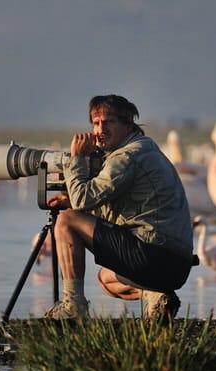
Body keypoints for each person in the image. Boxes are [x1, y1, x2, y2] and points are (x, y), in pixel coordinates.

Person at [44, 94, 195, 320]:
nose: (100, 129)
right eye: (96, 123)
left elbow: (81, 201)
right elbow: (125, 212)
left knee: (67, 220)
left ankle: (72, 307)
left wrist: (76, 160)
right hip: (177, 265)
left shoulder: (126, 157)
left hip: (153, 254)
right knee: (106, 280)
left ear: (128, 124)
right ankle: (157, 297)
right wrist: (84, 206)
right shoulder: (146, 149)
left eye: (109, 122)